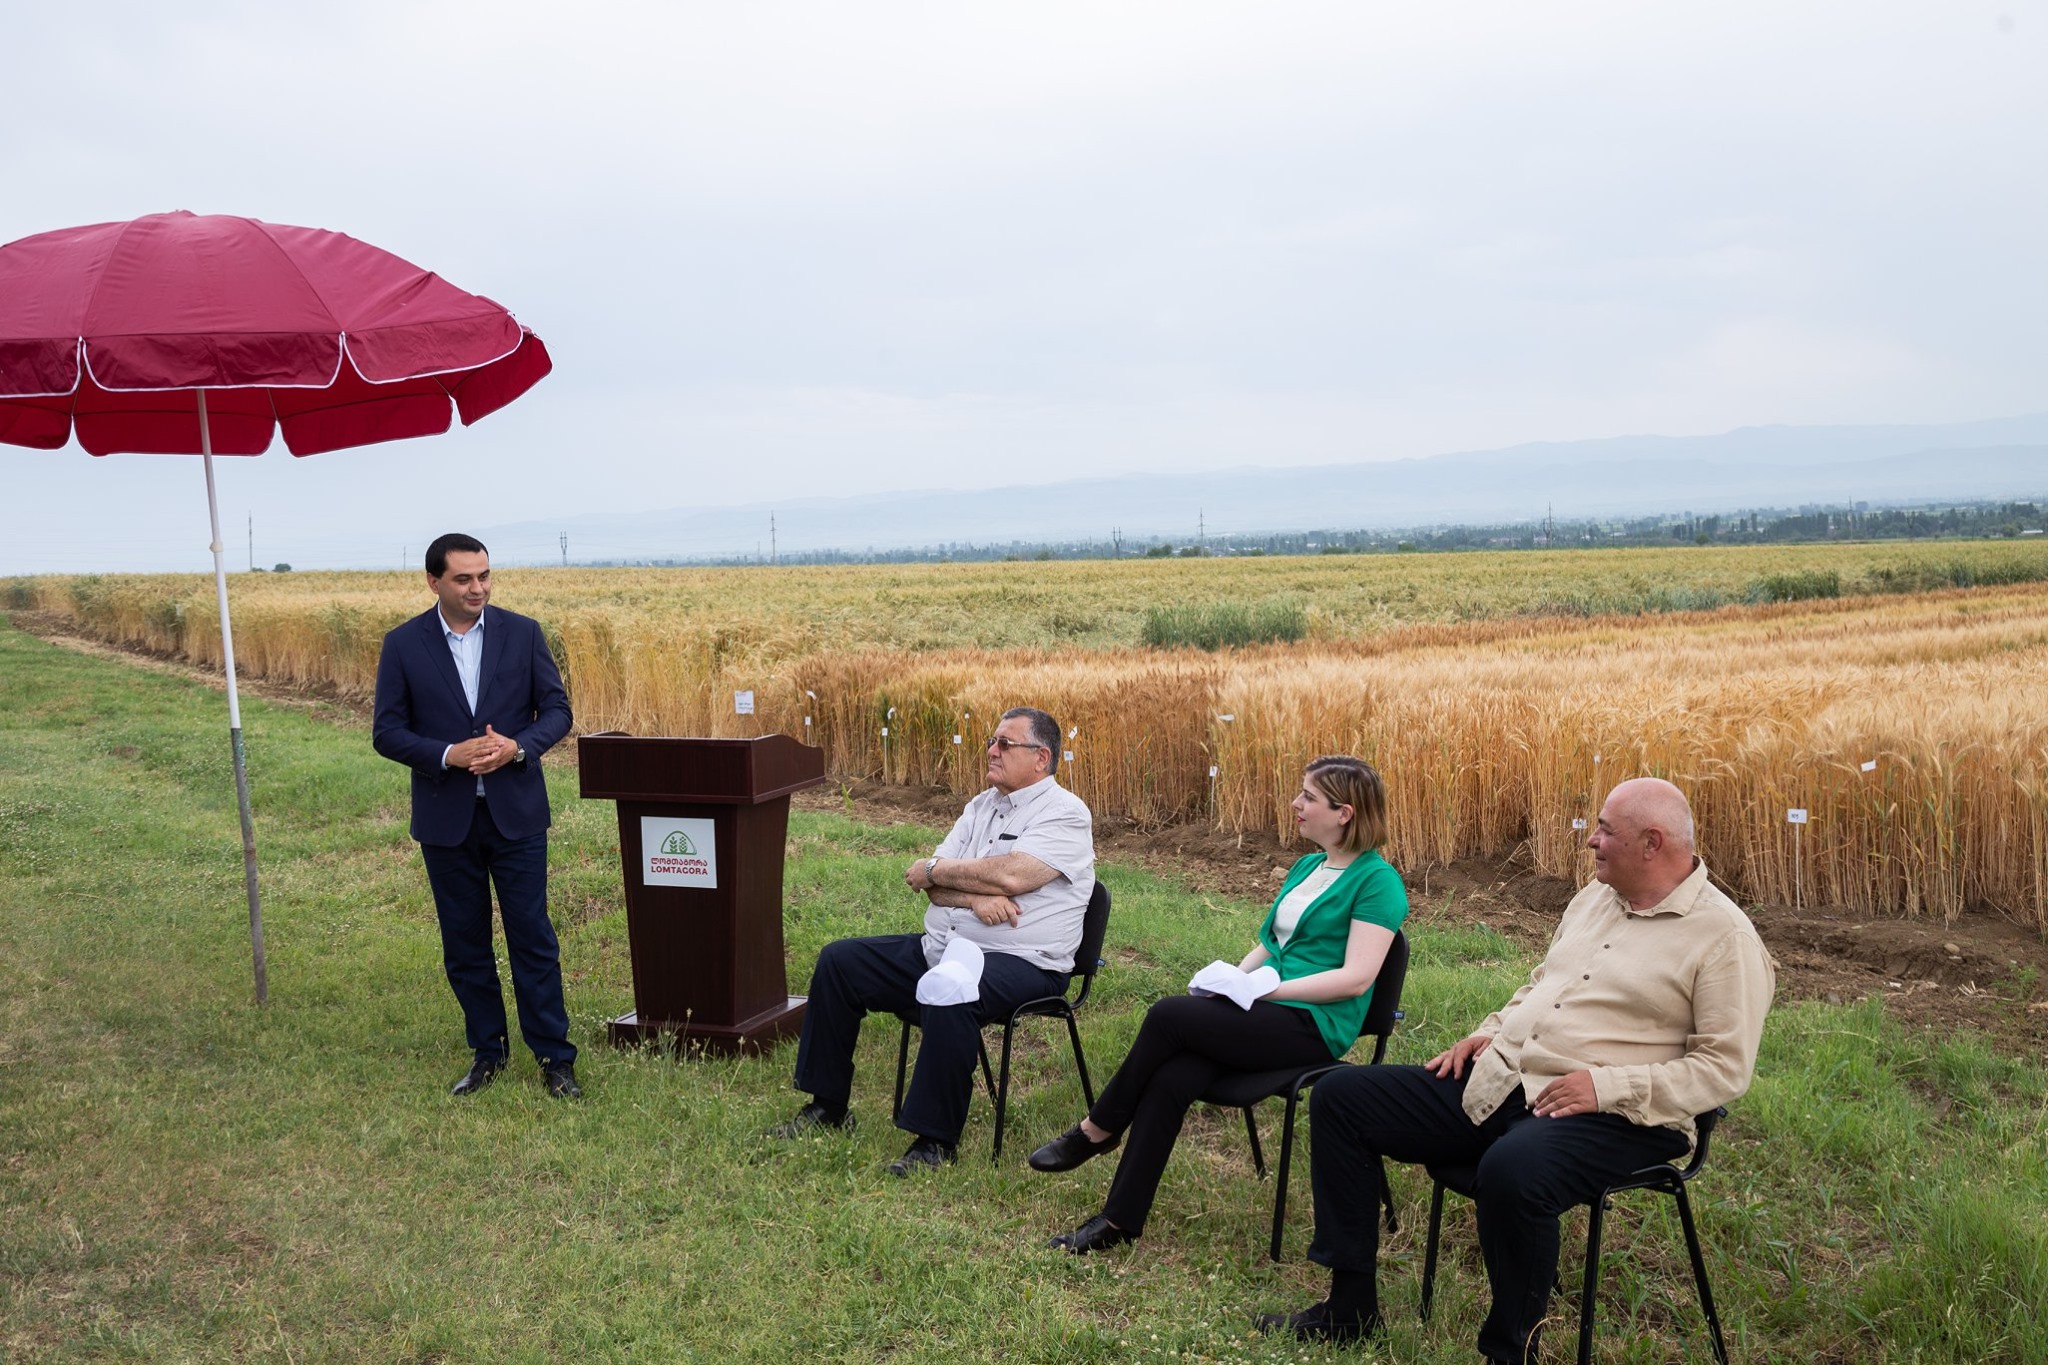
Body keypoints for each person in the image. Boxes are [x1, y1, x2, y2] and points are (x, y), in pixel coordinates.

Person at [1260, 777, 1774, 1365]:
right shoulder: (1594, 898)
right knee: (1343, 1095)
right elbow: (1542, 984)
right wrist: (1489, 1031)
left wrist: (1604, 1086)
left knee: (1513, 1169)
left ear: (1652, 843)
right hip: (1509, 1079)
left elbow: (1724, 1068)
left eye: (1605, 830)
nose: (1592, 840)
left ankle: (1511, 1353)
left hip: (1622, 1116)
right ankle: (1349, 1311)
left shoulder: (1724, 937)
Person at [1032, 755, 1407, 1253]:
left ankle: (1098, 1129)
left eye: (1309, 797)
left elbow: (1356, 979)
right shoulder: (1308, 867)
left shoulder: (1377, 882)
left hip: (1315, 1024)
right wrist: (1232, 981)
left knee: (1168, 1015)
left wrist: (1263, 991)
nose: (1295, 803)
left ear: (1345, 813)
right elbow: (1271, 944)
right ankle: (1118, 1223)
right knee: (1174, 1076)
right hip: (1266, 1011)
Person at [770, 706, 1095, 1176]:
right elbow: (929, 883)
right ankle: (827, 1106)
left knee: (952, 988)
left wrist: (940, 871)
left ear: (1041, 758)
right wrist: (972, 896)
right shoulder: (981, 806)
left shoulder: (1065, 813)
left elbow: (1012, 874)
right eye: (991, 741)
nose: (992, 750)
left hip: (1024, 961)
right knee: (841, 962)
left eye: (1005, 743)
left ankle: (934, 1144)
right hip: (944, 946)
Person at [372, 533, 581, 1099]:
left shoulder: (524, 632)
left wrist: (517, 747)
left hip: (517, 816)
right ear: (433, 582)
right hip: (446, 820)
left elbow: (557, 710)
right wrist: (448, 754)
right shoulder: (403, 644)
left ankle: (555, 1059)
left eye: (484, 576)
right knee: (465, 944)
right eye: (463, 578)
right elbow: (387, 732)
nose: (478, 588)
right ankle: (489, 1052)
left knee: (532, 938)